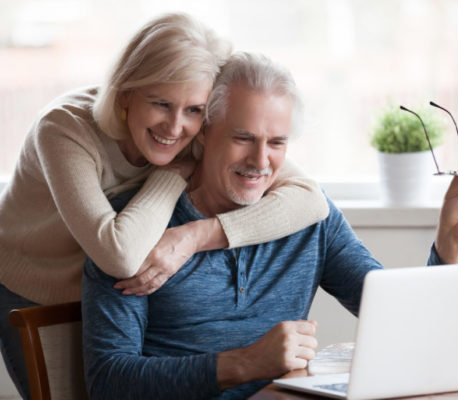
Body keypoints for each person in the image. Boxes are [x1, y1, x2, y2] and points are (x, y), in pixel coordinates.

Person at [81, 52, 458, 400]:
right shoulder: (135, 230)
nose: (260, 161)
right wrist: (244, 363)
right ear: (204, 132)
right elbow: (109, 381)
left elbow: (404, 325)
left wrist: (451, 244)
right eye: (243, 138)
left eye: (277, 143)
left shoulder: (309, 219)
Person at [0, 15, 330, 400]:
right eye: (161, 103)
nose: (176, 127)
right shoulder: (63, 129)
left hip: (110, 289)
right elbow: (120, 256)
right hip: (34, 289)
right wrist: (172, 174)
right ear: (126, 93)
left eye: (194, 110)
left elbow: (310, 198)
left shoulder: (191, 128)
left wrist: (195, 236)